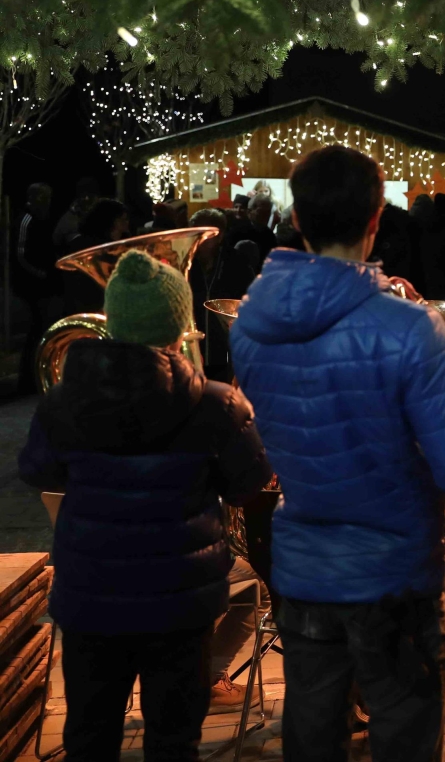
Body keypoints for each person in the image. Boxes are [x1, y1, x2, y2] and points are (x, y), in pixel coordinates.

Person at [229, 145, 445, 760]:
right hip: (393, 571)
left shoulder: (252, 319)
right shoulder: (408, 326)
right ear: (376, 220)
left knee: (313, 733)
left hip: (303, 566)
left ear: (298, 220)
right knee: (405, 731)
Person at [19, 249, 272, 762]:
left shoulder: (63, 400)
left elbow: (38, 472)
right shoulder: (217, 402)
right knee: (175, 742)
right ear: (181, 327)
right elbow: (250, 484)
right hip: (181, 604)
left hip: (91, 598)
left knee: (89, 737)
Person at [187, 208, 258, 382]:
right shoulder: (185, 261)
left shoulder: (236, 262)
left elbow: (249, 301)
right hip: (192, 349)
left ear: (220, 236)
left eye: (204, 234)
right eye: (194, 233)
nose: (198, 240)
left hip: (224, 350)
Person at [15, 182, 59, 394]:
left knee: (40, 329)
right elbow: (21, 254)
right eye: (44, 198)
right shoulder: (27, 219)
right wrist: (39, 273)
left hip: (42, 284)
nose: (47, 202)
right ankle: (27, 379)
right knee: (35, 330)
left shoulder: (41, 220)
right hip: (32, 285)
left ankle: (34, 376)